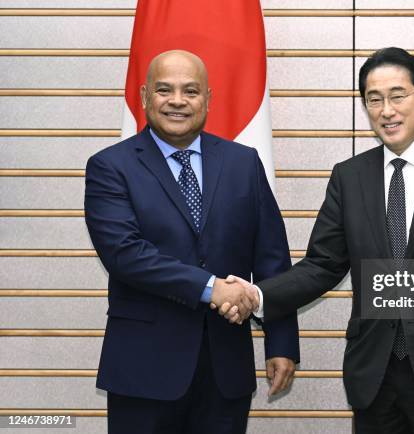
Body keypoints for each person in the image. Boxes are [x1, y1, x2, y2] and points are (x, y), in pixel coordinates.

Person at [218, 47, 414, 433]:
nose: (386, 110)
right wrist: (257, 295)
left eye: (397, 95)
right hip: (374, 373)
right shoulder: (349, 176)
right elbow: (322, 265)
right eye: (374, 100)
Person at [84, 49, 299, 434]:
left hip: (225, 369)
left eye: (191, 91)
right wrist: (211, 288)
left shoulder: (243, 162)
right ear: (146, 95)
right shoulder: (110, 166)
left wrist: (281, 342)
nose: (178, 101)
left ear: (208, 99)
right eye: (165, 90)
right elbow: (125, 254)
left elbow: (271, 256)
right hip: (143, 370)